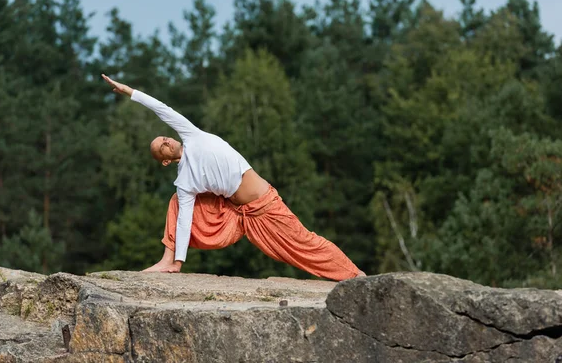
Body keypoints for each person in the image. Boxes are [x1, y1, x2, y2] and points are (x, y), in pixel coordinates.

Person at [101, 74, 365, 281]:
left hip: (264, 205)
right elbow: (184, 222)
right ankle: (168, 260)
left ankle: (355, 275)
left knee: (302, 245)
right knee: (177, 204)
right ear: (166, 160)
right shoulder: (185, 183)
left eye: (165, 137)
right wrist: (180, 260)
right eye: (162, 146)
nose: (167, 140)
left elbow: (162, 108)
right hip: (235, 212)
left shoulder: (191, 135)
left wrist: (129, 92)